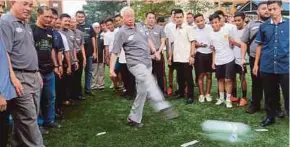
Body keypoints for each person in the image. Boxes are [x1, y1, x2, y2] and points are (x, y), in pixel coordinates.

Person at [110, 7, 178, 128]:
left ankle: (133, 118)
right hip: (135, 64)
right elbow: (115, 52)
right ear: (122, 18)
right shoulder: (121, 32)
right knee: (149, 79)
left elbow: (148, 39)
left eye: (132, 15)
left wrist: (155, 52)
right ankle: (162, 106)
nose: (130, 18)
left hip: (147, 62)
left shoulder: (140, 26)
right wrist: (111, 70)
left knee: (142, 92)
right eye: (127, 16)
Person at [0, 0, 44, 146]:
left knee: (28, 118)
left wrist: (36, 72)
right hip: (19, 77)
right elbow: (3, 53)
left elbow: (29, 49)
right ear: (12, 2)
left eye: (31, 5)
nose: (28, 8)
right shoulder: (5, 22)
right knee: (28, 119)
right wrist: (12, 77)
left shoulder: (25, 23)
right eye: (25, 4)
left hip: (33, 75)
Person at [253, 0, 289, 127]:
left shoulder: (289, 24)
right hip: (267, 66)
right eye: (269, 9)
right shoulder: (264, 26)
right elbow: (259, 45)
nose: (271, 11)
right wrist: (256, 64)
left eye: (274, 8)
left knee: (288, 93)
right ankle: (270, 117)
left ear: (280, 8)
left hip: (285, 66)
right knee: (269, 94)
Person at [240, 2, 279, 114]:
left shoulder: (275, 22)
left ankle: (275, 107)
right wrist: (242, 58)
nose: (266, 11)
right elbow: (244, 42)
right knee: (256, 82)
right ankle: (255, 104)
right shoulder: (251, 25)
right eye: (263, 9)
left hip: (271, 59)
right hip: (254, 58)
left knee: (273, 83)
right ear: (258, 11)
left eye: (268, 9)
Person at [32, 6, 61, 133]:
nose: (49, 19)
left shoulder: (50, 32)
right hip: (36, 71)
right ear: (38, 15)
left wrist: (56, 66)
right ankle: (39, 124)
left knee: (51, 97)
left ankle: (50, 120)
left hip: (49, 69)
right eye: (46, 17)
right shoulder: (31, 30)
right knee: (36, 99)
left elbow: (52, 50)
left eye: (51, 17)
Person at [168, 9, 195, 104]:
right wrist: (170, 57)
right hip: (177, 58)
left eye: (180, 17)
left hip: (186, 58)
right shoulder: (173, 29)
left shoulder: (188, 28)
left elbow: (192, 42)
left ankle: (190, 96)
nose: (179, 19)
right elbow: (172, 44)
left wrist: (192, 56)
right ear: (174, 18)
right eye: (177, 17)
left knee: (188, 78)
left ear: (183, 18)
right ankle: (181, 93)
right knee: (179, 77)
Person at [209, 13, 235, 108]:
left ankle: (228, 99)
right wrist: (213, 62)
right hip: (218, 60)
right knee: (220, 80)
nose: (214, 24)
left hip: (229, 58)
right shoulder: (210, 35)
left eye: (216, 22)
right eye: (212, 23)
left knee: (228, 79)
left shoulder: (227, 31)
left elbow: (232, 43)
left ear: (220, 22)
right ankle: (221, 98)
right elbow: (213, 50)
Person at [59, 13, 79, 105]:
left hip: (71, 60)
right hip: (62, 62)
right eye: (65, 21)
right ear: (60, 21)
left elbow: (74, 47)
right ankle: (63, 99)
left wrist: (75, 60)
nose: (67, 23)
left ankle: (69, 97)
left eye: (69, 21)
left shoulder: (71, 32)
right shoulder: (58, 32)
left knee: (71, 80)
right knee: (62, 81)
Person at [193, 13, 213, 103]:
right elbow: (193, 43)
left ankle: (208, 93)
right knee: (200, 75)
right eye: (197, 21)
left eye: (201, 20)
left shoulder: (210, 28)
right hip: (199, 54)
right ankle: (201, 94)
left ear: (204, 20)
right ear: (195, 22)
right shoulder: (193, 30)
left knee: (209, 75)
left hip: (210, 54)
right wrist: (199, 44)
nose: (200, 23)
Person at [114, 14, 136, 98]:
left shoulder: (131, 29)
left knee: (131, 76)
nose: (118, 22)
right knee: (124, 75)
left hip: (131, 56)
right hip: (121, 56)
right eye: (116, 21)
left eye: (119, 20)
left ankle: (131, 93)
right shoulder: (117, 31)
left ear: (123, 19)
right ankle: (127, 91)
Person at [145, 12, 166, 95]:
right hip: (147, 55)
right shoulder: (142, 29)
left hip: (158, 53)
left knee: (160, 74)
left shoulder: (160, 28)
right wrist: (150, 55)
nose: (151, 20)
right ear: (146, 19)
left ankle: (161, 92)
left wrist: (158, 53)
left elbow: (163, 41)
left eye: (153, 18)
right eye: (149, 18)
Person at [75, 10, 96, 96]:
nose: (80, 18)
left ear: (85, 17)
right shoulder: (74, 26)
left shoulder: (89, 26)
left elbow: (93, 38)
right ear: (76, 17)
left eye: (82, 16)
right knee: (78, 73)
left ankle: (88, 89)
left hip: (89, 53)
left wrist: (95, 51)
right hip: (78, 54)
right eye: (79, 16)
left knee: (89, 72)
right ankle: (78, 91)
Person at [229, 12, 247, 107]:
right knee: (233, 78)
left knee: (242, 78)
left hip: (242, 58)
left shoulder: (246, 30)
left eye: (239, 20)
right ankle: (234, 96)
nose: (237, 22)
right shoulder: (232, 29)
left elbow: (244, 45)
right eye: (235, 20)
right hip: (233, 57)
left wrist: (234, 43)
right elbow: (231, 42)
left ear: (244, 20)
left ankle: (244, 98)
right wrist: (231, 43)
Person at [70, 18, 87, 100]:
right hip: (70, 55)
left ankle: (79, 94)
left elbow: (82, 46)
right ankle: (71, 94)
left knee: (79, 75)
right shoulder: (67, 33)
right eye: (71, 22)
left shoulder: (79, 33)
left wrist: (84, 58)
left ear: (76, 23)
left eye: (74, 22)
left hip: (79, 54)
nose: (72, 24)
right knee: (72, 76)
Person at [164, 9, 177, 95]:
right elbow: (166, 39)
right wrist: (168, 53)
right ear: (171, 15)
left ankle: (182, 85)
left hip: (180, 52)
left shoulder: (182, 25)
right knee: (171, 69)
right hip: (170, 51)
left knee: (181, 70)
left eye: (175, 14)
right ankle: (170, 86)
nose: (174, 15)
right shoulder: (168, 26)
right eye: (173, 14)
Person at [91, 21, 106, 90]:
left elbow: (105, 47)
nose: (97, 29)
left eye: (98, 27)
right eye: (95, 27)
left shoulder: (102, 36)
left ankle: (101, 85)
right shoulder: (91, 37)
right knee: (94, 72)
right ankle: (94, 85)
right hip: (93, 58)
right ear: (93, 28)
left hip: (101, 57)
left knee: (101, 72)